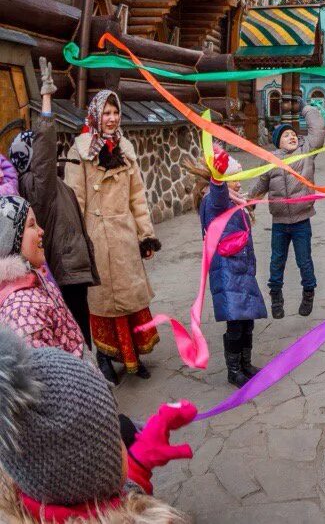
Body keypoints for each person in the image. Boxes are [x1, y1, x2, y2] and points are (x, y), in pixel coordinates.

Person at [0, 325, 193, 523]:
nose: (121, 438)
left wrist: (140, 461)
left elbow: (101, 500)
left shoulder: (37, 501)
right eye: (113, 436)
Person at [65, 90, 161, 384]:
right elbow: (74, 201)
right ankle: (105, 356)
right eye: (106, 113)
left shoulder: (126, 149)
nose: (112, 118)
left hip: (124, 237)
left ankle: (133, 354)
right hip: (96, 236)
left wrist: (145, 235)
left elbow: (138, 198)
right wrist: (78, 243)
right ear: (96, 115)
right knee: (104, 303)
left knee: (132, 298)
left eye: (115, 112)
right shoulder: (79, 151)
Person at [9, 57, 99, 348]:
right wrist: (46, 100)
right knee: (78, 333)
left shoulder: (47, 182)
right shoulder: (37, 185)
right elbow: (45, 147)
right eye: (35, 149)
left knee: (78, 328)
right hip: (66, 270)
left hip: (72, 267)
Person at [189, 148, 267, 388]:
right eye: (233, 178)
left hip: (242, 270)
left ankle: (245, 363)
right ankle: (234, 370)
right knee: (235, 322)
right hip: (227, 272)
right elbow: (218, 195)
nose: (238, 182)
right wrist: (218, 179)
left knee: (247, 320)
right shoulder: (213, 201)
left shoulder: (236, 202)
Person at [249, 102, 325, 319]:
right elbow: (259, 185)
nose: (291, 137)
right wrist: (249, 203)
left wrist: (307, 109)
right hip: (280, 222)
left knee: (304, 260)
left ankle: (308, 292)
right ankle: (276, 295)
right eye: (286, 136)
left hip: (302, 220)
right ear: (277, 143)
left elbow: (317, 131)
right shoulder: (272, 161)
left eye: (293, 134)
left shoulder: (306, 151)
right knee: (277, 260)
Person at [0, 195, 84, 357]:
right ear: (11, 239)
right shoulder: (21, 310)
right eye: (32, 225)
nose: (41, 231)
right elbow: (48, 376)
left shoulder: (35, 279)